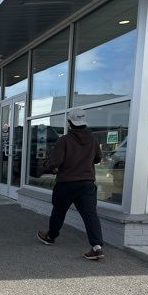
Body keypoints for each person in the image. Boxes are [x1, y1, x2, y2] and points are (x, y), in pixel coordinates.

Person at [37, 107, 105, 260]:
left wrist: (46, 166)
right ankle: (97, 247)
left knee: (59, 212)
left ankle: (50, 237)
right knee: (90, 215)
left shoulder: (65, 140)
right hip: (87, 184)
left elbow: (55, 161)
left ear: (69, 123)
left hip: (66, 184)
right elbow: (98, 159)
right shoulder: (93, 139)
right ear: (84, 122)